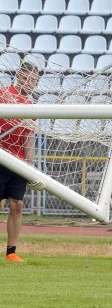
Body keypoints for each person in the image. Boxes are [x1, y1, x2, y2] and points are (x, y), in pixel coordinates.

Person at [1, 62, 43, 262]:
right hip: (1, 157)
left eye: (34, 80)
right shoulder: (3, 94)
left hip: (17, 161)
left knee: (17, 204)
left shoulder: (30, 107)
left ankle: (11, 252)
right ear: (18, 77)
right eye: (27, 78)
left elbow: (29, 138)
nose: (29, 82)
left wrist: (29, 166)